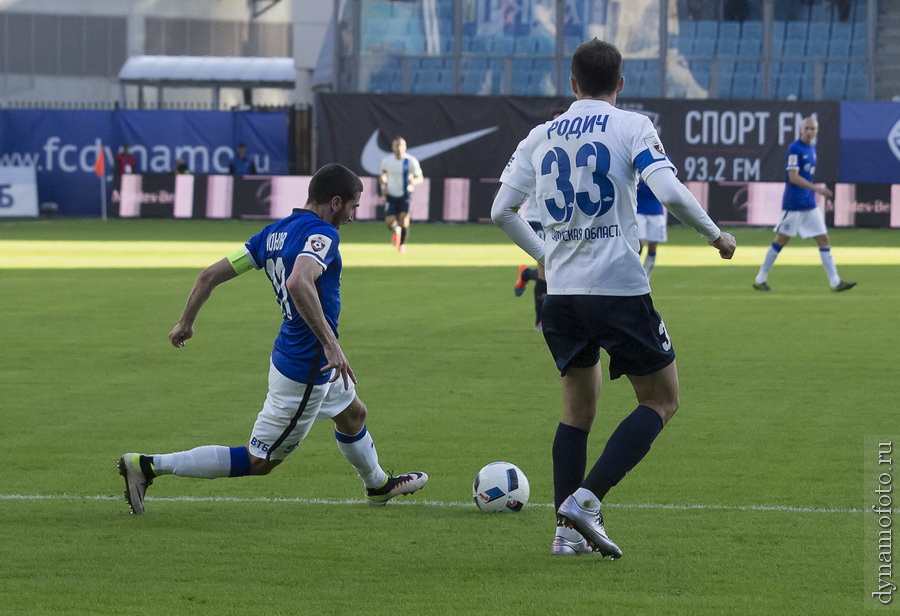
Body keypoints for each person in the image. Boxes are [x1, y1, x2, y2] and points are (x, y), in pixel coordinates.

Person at [491, 39, 736, 558]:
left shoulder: (540, 135)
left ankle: (563, 535)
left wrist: (546, 254)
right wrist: (717, 236)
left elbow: (502, 210)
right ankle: (586, 499)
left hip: (561, 295)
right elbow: (668, 192)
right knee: (662, 400)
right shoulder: (632, 126)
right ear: (620, 84)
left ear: (573, 83)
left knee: (576, 411)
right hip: (617, 289)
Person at [117, 163, 428, 516]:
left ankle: (377, 486)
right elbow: (298, 282)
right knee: (259, 460)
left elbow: (209, 276)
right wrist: (330, 343)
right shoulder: (322, 234)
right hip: (307, 366)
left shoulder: (272, 234)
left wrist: (185, 321)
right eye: (354, 206)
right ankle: (146, 465)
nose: (354, 216)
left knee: (353, 414)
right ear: (336, 202)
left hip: (295, 350)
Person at [752, 116, 856, 293]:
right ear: (801, 129)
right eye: (806, 128)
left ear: (817, 131)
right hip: (793, 204)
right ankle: (760, 279)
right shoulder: (795, 148)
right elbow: (793, 177)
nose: (809, 132)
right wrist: (817, 188)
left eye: (813, 129)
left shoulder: (811, 148)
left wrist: (813, 192)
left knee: (823, 239)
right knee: (781, 240)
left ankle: (835, 282)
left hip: (809, 204)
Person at [513, 108, 567, 332]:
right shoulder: (538, 149)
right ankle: (540, 320)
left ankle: (526, 274)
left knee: (557, 270)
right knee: (547, 269)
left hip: (562, 221)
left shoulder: (572, 152)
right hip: (538, 218)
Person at [378, 136, 423, 253]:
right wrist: (383, 186)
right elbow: (382, 175)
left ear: (405, 147)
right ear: (392, 147)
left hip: (405, 195)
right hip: (391, 194)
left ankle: (401, 245)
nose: (398, 148)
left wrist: (414, 181)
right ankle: (396, 231)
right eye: (396, 145)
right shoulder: (387, 161)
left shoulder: (411, 161)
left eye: (400, 145)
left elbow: (420, 177)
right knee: (389, 222)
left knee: (404, 219)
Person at [636, 179, 667, 277]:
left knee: (653, 246)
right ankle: (635, 272)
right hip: (638, 209)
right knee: (639, 243)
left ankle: (646, 275)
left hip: (656, 210)